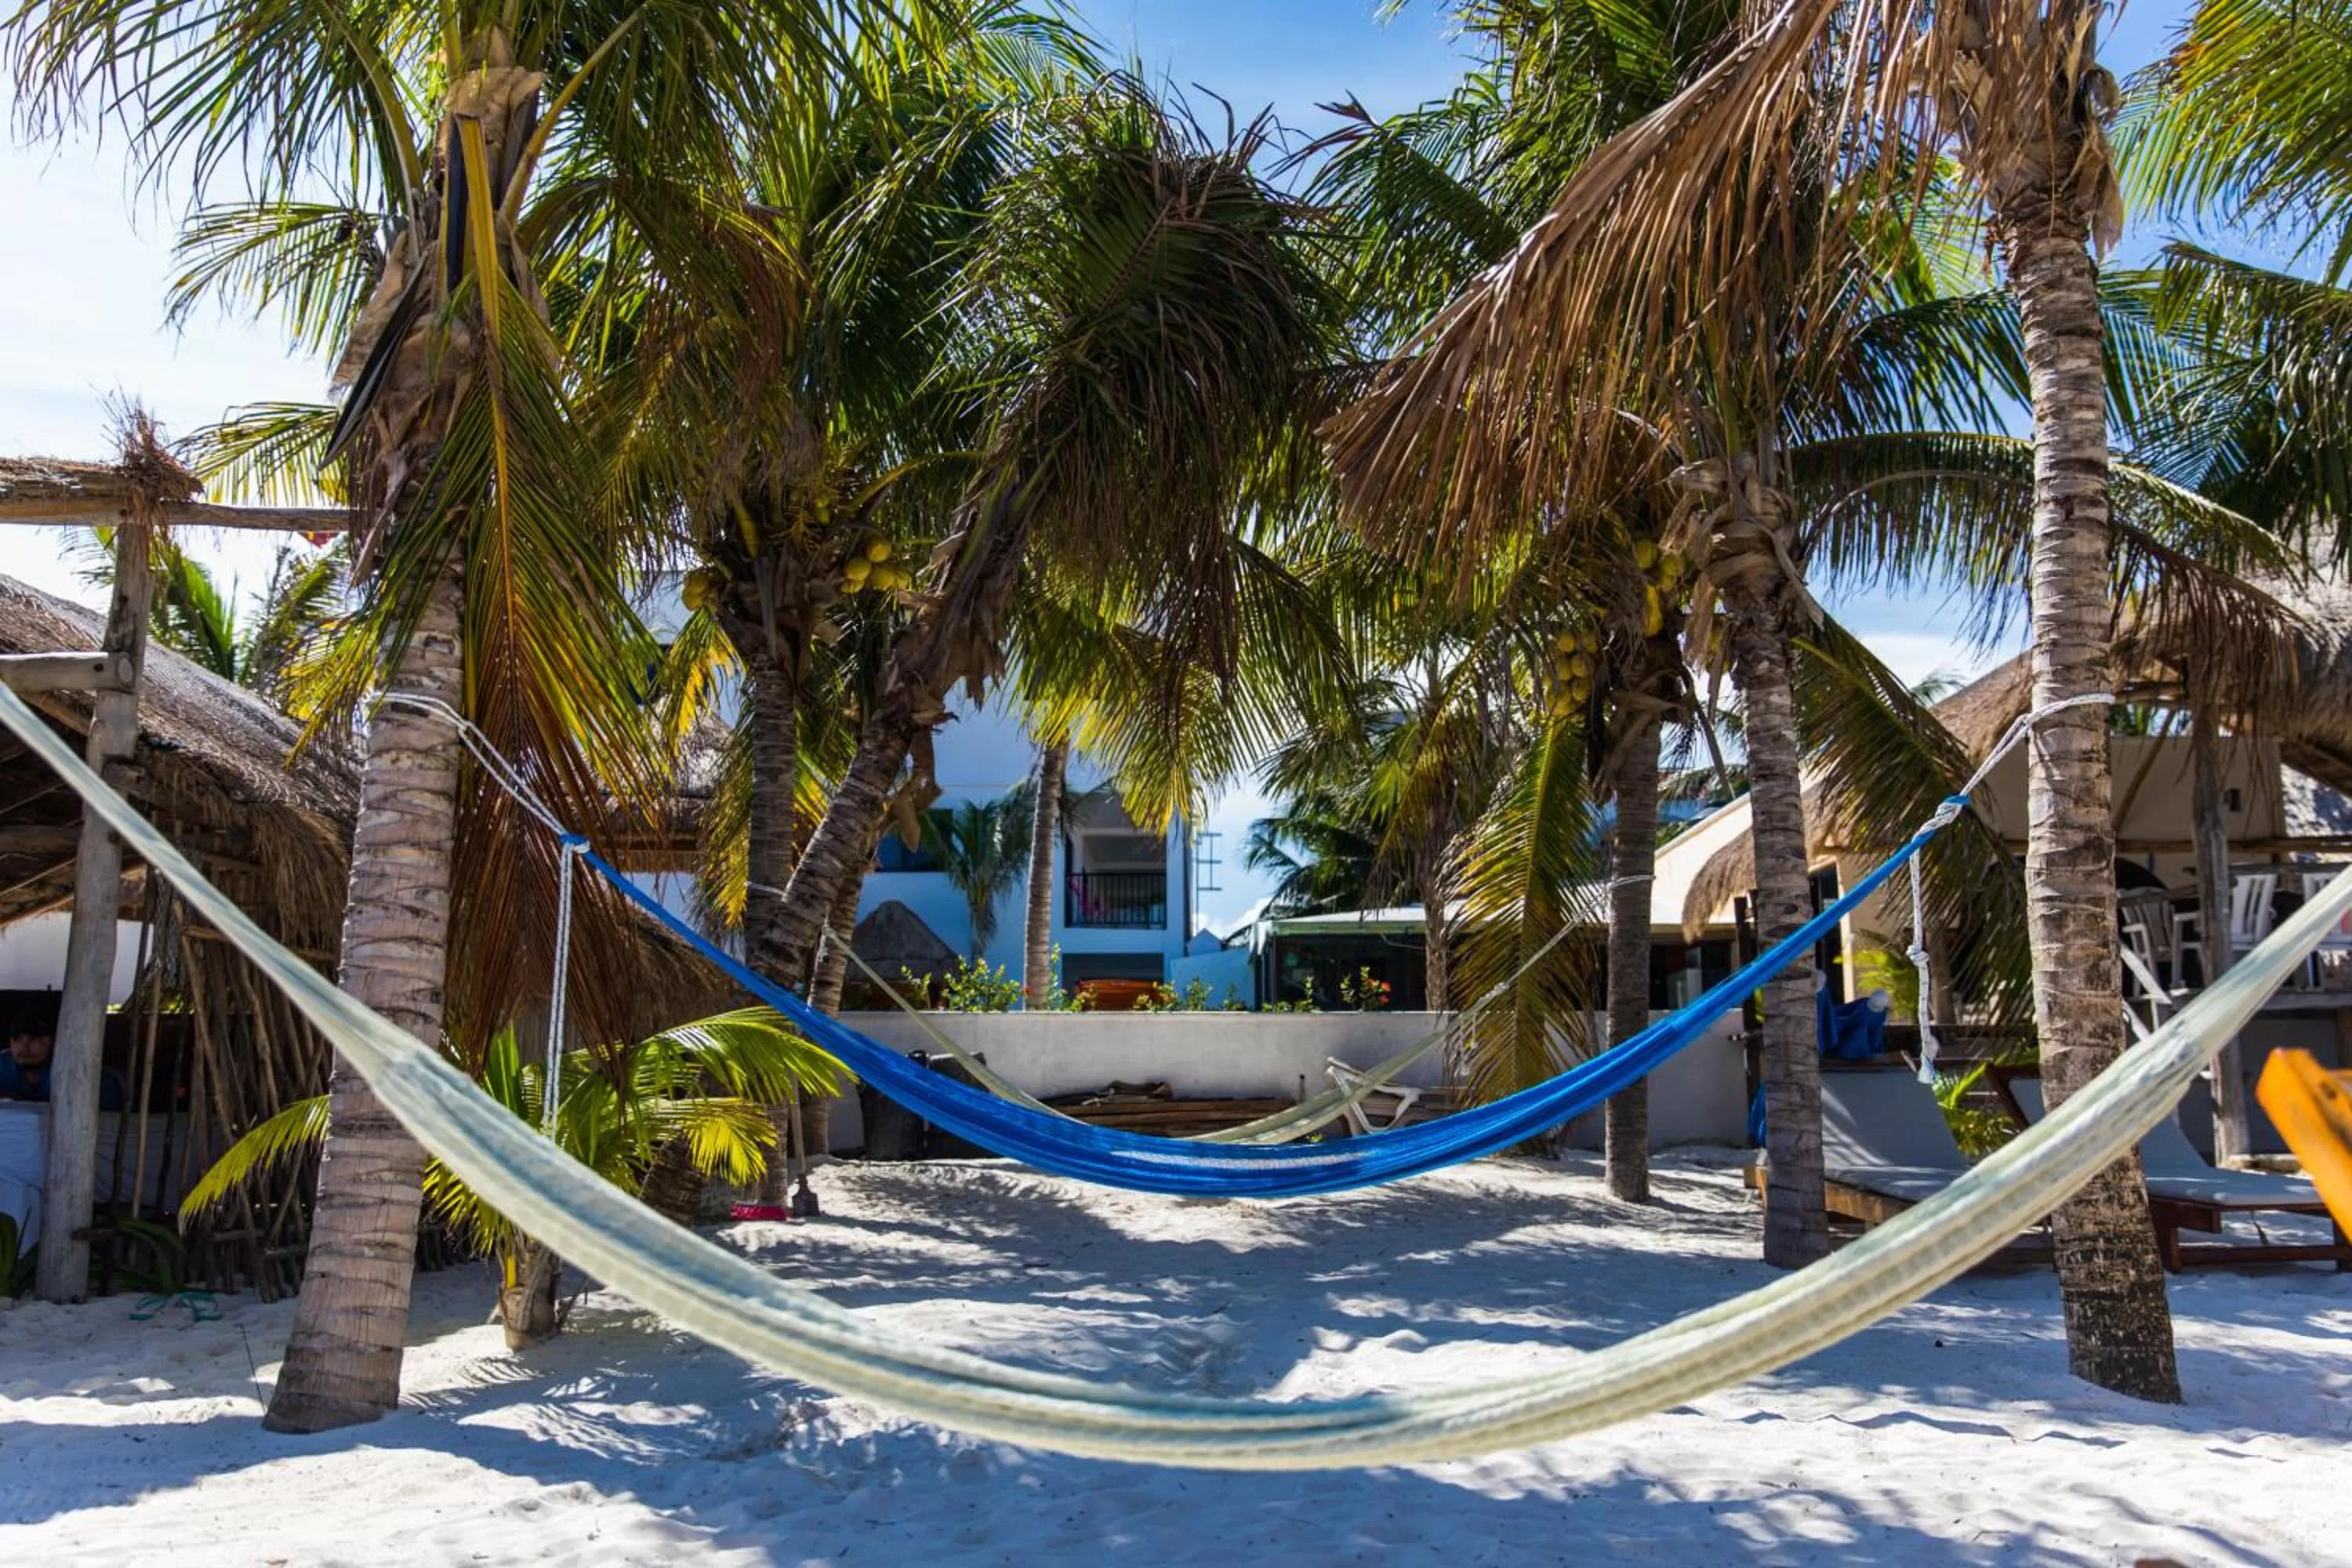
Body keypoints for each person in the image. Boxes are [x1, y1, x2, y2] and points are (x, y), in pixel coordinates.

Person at [1, 998, 59, 1102]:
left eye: (34, 1040)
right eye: (17, 1040)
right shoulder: (2, 1067)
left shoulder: (67, 1069)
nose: (24, 1048)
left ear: (53, 1041)